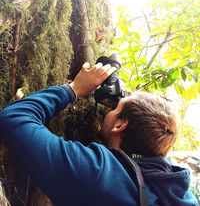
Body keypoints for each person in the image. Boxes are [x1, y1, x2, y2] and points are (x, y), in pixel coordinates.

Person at [0, 62, 198, 206]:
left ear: (120, 125)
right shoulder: (178, 188)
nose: (107, 109)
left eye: (115, 108)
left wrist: (73, 89)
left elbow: (15, 117)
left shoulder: (99, 173)